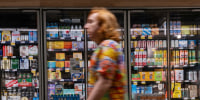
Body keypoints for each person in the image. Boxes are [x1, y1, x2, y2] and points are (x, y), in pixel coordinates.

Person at [84, 7, 127, 100]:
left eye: (91, 22)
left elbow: (104, 81)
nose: (86, 26)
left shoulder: (108, 46)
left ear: (102, 26)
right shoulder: (106, 46)